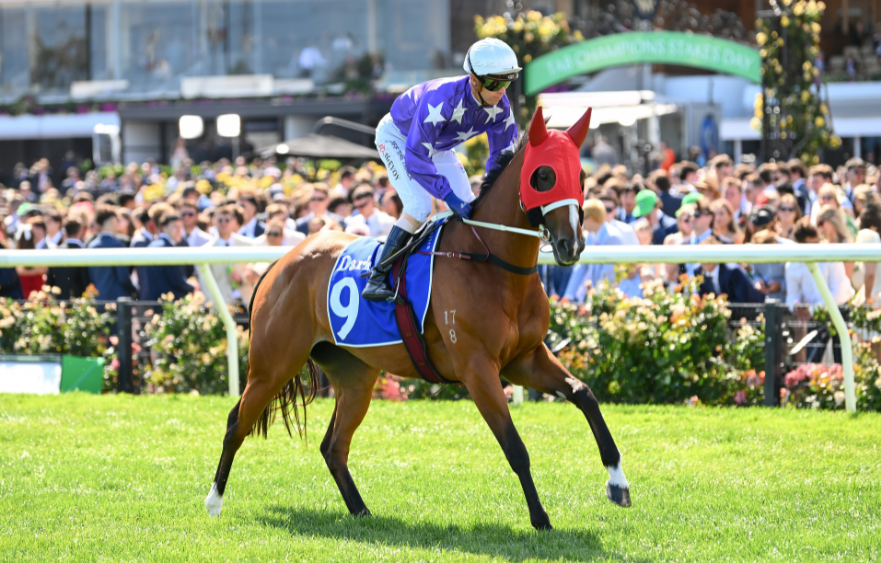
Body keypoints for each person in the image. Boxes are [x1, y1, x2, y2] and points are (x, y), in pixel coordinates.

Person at [364, 37, 521, 301]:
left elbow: (502, 157)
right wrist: (447, 196)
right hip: (399, 139)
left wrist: (492, 194)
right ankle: (377, 277)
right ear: (474, 80)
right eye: (495, 82)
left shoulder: (501, 107)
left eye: (507, 81)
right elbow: (416, 156)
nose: (502, 91)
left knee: (473, 208)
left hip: (436, 145)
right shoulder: (441, 98)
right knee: (419, 207)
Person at [785, 219, 854, 364]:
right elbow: (792, 295)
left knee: (842, 361)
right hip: (815, 316)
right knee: (812, 362)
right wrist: (796, 307)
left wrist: (812, 309)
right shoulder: (792, 265)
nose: (818, 246)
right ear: (800, 244)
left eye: (818, 241)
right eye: (812, 244)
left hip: (840, 310)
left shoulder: (830, 255)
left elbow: (839, 293)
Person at [563, 200, 624, 303]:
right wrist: (568, 296)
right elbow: (581, 267)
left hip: (610, 297)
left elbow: (608, 274)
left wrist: (594, 299)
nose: (579, 223)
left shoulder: (612, 237)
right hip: (595, 296)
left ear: (590, 218)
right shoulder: (588, 236)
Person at [197, 204, 255, 307]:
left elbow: (256, 271)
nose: (223, 223)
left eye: (227, 220)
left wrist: (241, 278)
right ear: (214, 222)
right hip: (221, 305)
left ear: (233, 222)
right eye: (220, 220)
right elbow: (204, 284)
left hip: (246, 302)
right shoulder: (206, 250)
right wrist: (214, 305)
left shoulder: (248, 244)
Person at [87, 206, 138, 301]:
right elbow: (123, 277)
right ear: (112, 221)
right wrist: (134, 290)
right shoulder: (117, 245)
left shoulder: (92, 246)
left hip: (98, 299)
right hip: (118, 300)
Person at [695, 238, 765, 304]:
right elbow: (703, 300)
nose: (705, 260)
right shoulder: (698, 272)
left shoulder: (732, 271)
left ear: (717, 255)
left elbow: (743, 301)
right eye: (702, 255)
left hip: (754, 310)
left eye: (709, 255)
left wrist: (721, 307)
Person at [145, 211, 195, 301]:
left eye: (181, 227)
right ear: (164, 228)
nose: (179, 231)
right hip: (170, 304)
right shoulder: (167, 248)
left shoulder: (154, 245)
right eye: (176, 227)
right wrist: (192, 288)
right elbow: (176, 280)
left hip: (157, 301)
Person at [45, 218, 91, 300]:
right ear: (80, 231)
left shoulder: (55, 251)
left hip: (58, 303)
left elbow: (49, 282)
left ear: (65, 232)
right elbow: (86, 282)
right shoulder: (84, 253)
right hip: (79, 304)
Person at [855, 202, 881, 303]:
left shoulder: (868, 236)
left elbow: (870, 273)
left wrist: (867, 299)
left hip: (875, 298)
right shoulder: (875, 237)